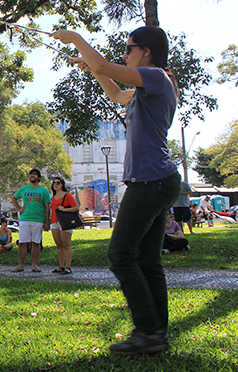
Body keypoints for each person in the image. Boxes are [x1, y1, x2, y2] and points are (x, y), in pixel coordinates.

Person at [51, 26, 182, 355]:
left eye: (128, 49)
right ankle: (157, 335)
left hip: (151, 181)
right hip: (157, 180)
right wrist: (91, 67)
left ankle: (147, 330)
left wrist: (77, 40)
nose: (125, 54)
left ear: (146, 51)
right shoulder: (144, 89)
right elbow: (113, 91)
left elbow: (105, 67)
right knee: (147, 261)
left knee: (119, 254)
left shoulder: (158, 78)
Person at [11, 168, 51, 273]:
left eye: (34, 174)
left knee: (36, 243)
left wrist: (47, 221)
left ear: (39, 178)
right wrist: (19, 209)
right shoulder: (24, 189)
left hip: (38, 220)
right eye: (30, 174)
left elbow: (48, 207)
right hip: (25, 219)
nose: (32, 176)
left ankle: (34, 265)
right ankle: (20, 265)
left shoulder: (43, 190)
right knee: (22, 243)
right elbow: (13, 198)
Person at [50, 177, 79, 275]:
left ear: (62, 184)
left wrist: (64, 209)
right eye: (54, 183)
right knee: (59, 245)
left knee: (66, 244)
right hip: (54, 222)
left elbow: (76, 207)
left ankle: (68, 267)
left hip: (65, 222)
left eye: (58, 182)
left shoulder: (67, 196)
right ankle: (61, 266)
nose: (56, 184)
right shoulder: (53, 197)